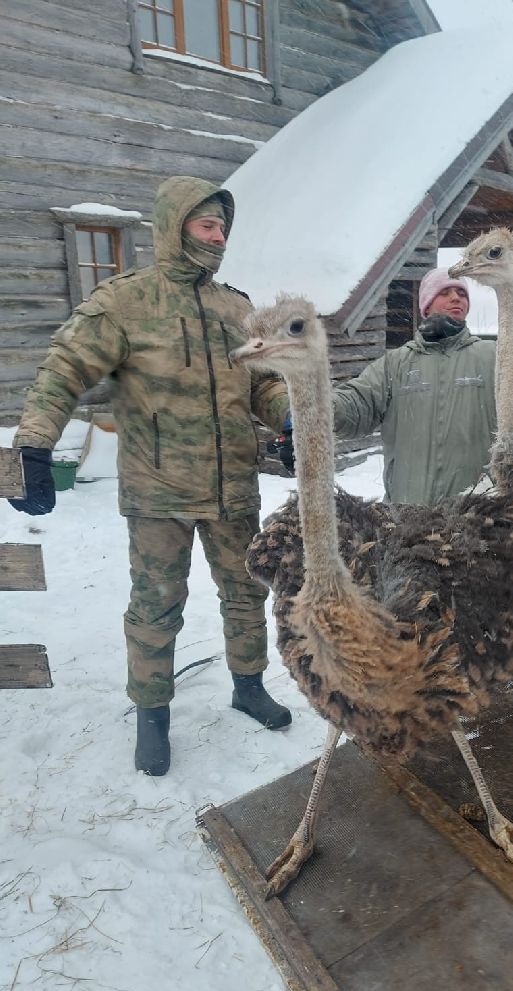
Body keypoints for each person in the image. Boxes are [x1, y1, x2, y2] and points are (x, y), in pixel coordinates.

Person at [8, 175, 293, 775]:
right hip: (158, 493)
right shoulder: (125, 303)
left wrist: (290, 420)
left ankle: (248, 686)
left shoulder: (235, 308)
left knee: (246, 593)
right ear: (174, 225)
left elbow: (261, 382)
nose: (218, 239)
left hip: (233, 488)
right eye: (206, 225)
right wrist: (32, 447)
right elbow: (63, 371)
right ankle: (152, 715)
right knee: (157, 603)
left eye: (222, 228)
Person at [317, 266, 513, 506]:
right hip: (408, 515)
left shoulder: (493, 357)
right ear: (426, 305)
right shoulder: (396, 364)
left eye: (462, 293)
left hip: (477, 515)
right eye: (446, 292)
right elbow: (355, 404)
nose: (456, 298)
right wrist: (313, 410)